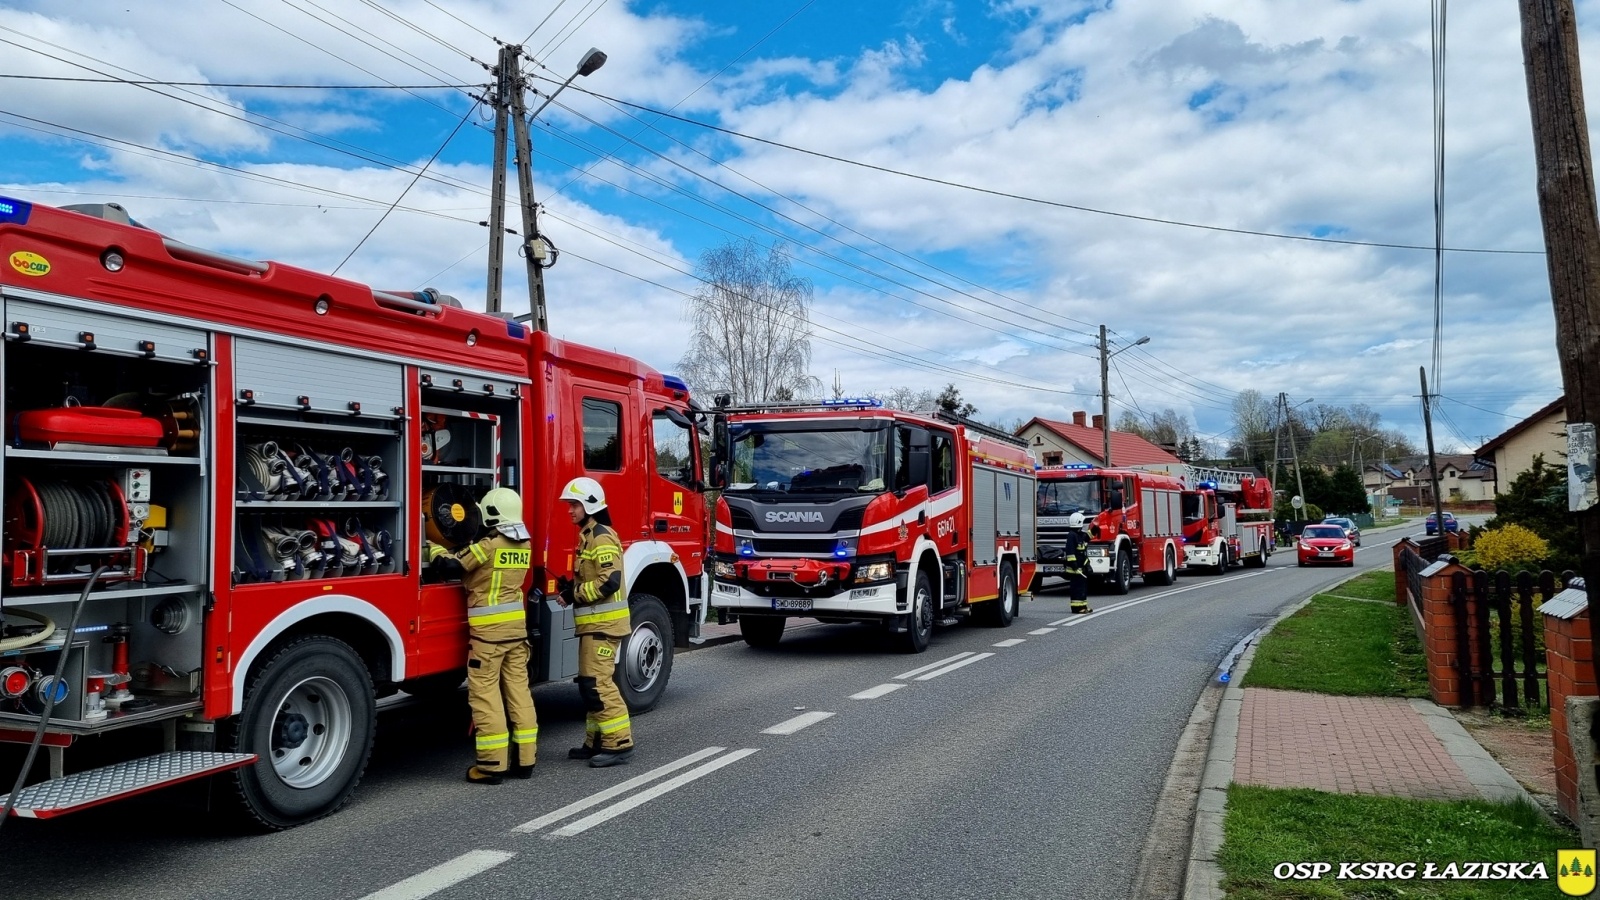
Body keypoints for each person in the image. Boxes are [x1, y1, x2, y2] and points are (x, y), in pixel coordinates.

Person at [426, 487, 537, 785]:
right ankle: (526, 760)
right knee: (519, 694)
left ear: (492, 514)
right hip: (516, 633)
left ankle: (491, 765)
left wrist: (431, 546)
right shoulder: (524, 544)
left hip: (488, 637)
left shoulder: (488, 545)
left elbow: (451, 566)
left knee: (486, 696)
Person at [557, 477, 635, 768]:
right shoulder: (588, 535)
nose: (570, 510)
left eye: (574, 504)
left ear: (590, 505)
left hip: (604, 627)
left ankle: (619, 743)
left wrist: (574, 595)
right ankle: (596, 741)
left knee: (597, 684)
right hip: (594, 626)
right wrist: (571, 590)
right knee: (589, 684)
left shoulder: (601, 537)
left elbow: (610, 582)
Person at [1064, 512, 1093, 614]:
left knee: (1082, 588)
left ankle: (1083, 606)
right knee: (1077, 589)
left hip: (1081, 568)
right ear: (1079, 522)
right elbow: (1070, 552)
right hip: (1075, 569)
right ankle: (1076, 608)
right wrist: (1074, 564)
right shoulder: (1072, 536)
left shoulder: (1079, 534)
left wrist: (1095, 530)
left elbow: (1087, 537)